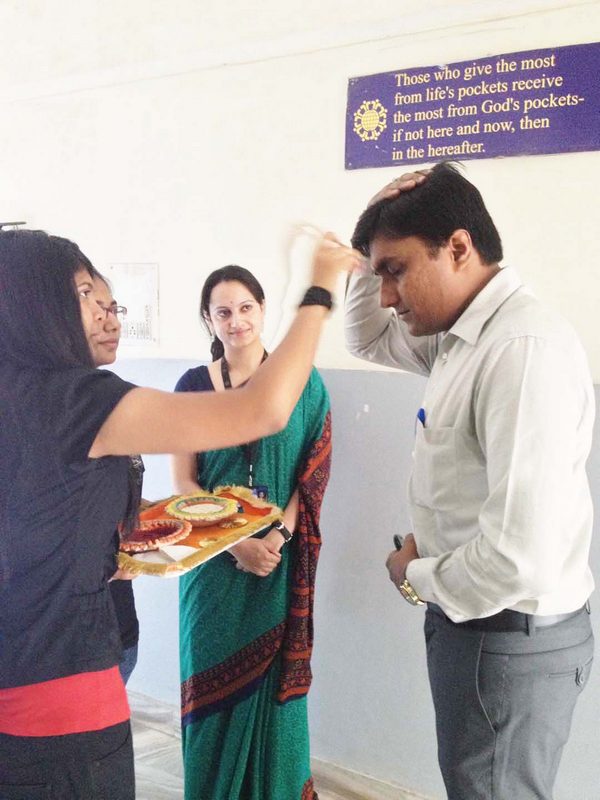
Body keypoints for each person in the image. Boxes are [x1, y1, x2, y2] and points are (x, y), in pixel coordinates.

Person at [0, 228, 359, 799]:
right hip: (62, 687)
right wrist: (318, 288)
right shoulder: (75, 401)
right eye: (85, 293)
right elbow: (262, 409)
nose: (105, 313)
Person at [344, 162, 595, 800]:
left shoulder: (519, 350)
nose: (387, 296)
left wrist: (414, 576)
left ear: (458, 247)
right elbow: (365, 340)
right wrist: (367, 238)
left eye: (396, 270)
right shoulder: (460, 339)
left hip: (505, 637)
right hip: (482, 629)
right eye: (378, 275)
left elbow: (518, 557)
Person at [171, 265, 331, 800]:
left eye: (245, 308)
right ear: (208, 319)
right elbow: (184, 482)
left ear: (263, 310)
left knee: (271, 699)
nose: (236, 320)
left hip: (275, 564)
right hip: (210, 568)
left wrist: (275, 539)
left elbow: (312, 473)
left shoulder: (300, 381)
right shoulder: (192, 387)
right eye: (223, 311)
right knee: (207, 694)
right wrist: (234, 543)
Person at [89, 275, 140, 685]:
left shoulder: (107, 395)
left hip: (118, 625)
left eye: (112, 308)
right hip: (70, 646)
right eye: (91, 304)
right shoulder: (77, 405)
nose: (112, 322)